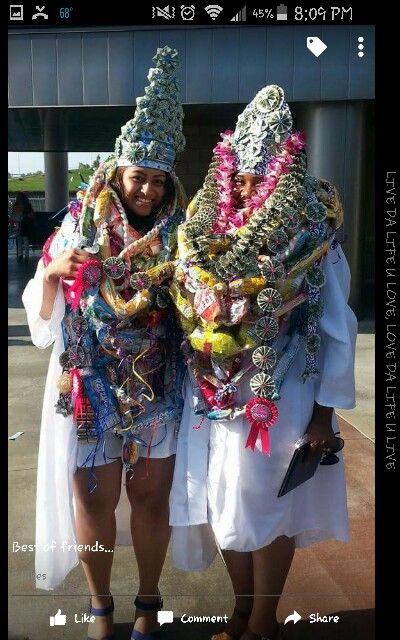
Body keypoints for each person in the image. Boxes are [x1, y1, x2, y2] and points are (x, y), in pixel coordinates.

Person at [169, 85, 357, 640]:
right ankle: (239, 608)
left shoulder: (313, 240)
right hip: (211, 394)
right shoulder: (204, 237)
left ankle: (262, 621)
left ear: (282, 177)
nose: (247, 188)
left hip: (281, 398)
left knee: (270, 507)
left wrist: (324, 416)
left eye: (260, 177)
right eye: (240, 178)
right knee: (222, 502)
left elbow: (338, 332)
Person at [22, 46, 187, 640]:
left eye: (156, 178)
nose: (145, 188)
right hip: (89, 387)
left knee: (150, 500)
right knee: (93, 503)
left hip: (160, 388)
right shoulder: (78, 223)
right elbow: (39, 306)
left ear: (169, 181)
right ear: (118, 173)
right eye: (136, 176)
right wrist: (50, 275)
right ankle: (100, 610)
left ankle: (147, 604)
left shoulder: (182, 236)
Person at [11, 191, 35, 261]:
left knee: (21, 240)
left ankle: (21, 255)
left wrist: (13, 224)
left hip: (23, 225)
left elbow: (13, 215)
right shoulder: (27, 205)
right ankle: (25, 255)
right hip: (24, 225)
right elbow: (32, 215)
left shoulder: (16, 205)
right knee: (24, 240)